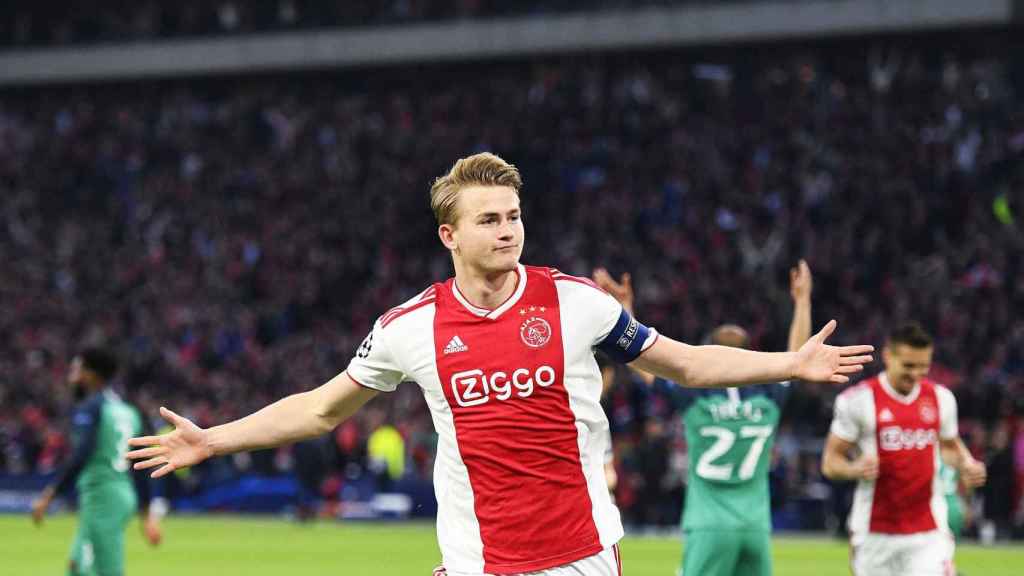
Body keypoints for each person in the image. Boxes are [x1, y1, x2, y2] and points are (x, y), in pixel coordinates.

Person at [127, 152, 872, 576]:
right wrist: (212, 438)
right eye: (490, 218)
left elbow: (685, 365)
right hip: (478, 560)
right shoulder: (408, 326)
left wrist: (787, 362)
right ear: (450, 234)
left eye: (514, 215)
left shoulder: (576, 303)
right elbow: (322, 408)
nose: (508, 229)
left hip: (579, 554)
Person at [593, 259, 813, 576]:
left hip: (709, 524)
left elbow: (643, 366)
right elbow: (798, 361)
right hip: (755, 525)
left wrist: (625, 309)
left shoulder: (694, 394)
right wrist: (803, 301)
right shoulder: (767, 396)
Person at [821, 323, 987, 576]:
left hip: (928, 532)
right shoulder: (857, 401)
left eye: (923, 366)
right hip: (874, 532)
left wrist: (967, 464)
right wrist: (855, 469)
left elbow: (950, 447)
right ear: (888, 356)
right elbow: (830, 463)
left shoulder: (941, 398)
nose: (916, 374)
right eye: (909, 366)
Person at [32, 347, 162, 576]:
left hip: (103, 497)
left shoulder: (92, 408)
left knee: (104, 569)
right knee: (77, 566)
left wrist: (50, 494)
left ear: (90, 374)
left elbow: (81, 454)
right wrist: (146, 512)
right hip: (121, 493)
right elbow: (141, 463)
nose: (71, 375)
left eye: (76, 369)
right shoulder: (128, 411)